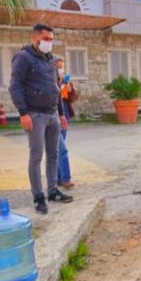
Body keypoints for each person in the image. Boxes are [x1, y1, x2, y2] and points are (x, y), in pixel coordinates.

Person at [9, 23, 73, 214]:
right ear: (34, 38)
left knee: (53, 154)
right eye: (46, 39)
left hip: (52, 113)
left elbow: (56, 88)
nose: (49, 43)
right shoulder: (23, 57)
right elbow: (15, 87)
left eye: (51, 40)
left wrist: (61, 114)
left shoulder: (51, 60)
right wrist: (23, 113)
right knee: (36, 156)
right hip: (34, 115)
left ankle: (53, 190)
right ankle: (38, 196)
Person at [55, 56, 77, 189]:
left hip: (64, 113)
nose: (60, 69)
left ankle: (59, 178)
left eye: (62, 66)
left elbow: (71, 95)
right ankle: (65, 178)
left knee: (58, 147)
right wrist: (59, 83)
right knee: (61, 148)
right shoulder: (50, 80)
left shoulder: (65, 80)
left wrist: (68, 85)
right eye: (58, 66)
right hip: (53, 116)